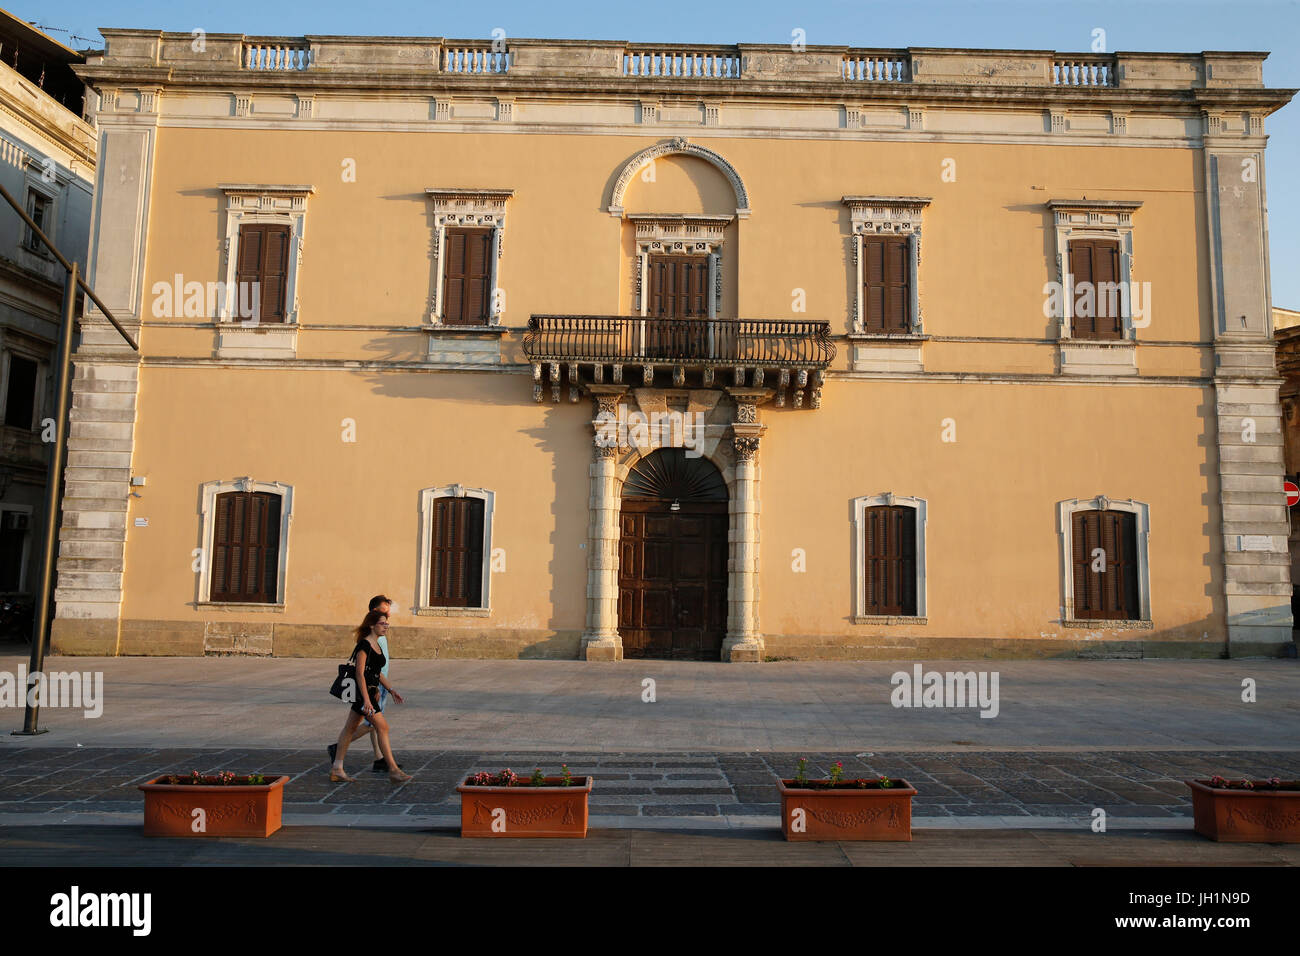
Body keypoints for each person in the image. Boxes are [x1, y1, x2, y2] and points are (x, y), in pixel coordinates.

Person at [329, 609, 410, 783]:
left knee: (350, 729)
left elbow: (376, 672)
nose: (386, 626)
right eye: (382, 623)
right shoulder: (364, 645)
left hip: (370, 693)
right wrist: (366, 700)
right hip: (363, 695)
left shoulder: (377, 643)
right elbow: (359, 673)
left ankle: (337, 768)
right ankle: (394, 770)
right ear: (372, 625)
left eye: (387, 623)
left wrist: (390, 689)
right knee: (383, 727)